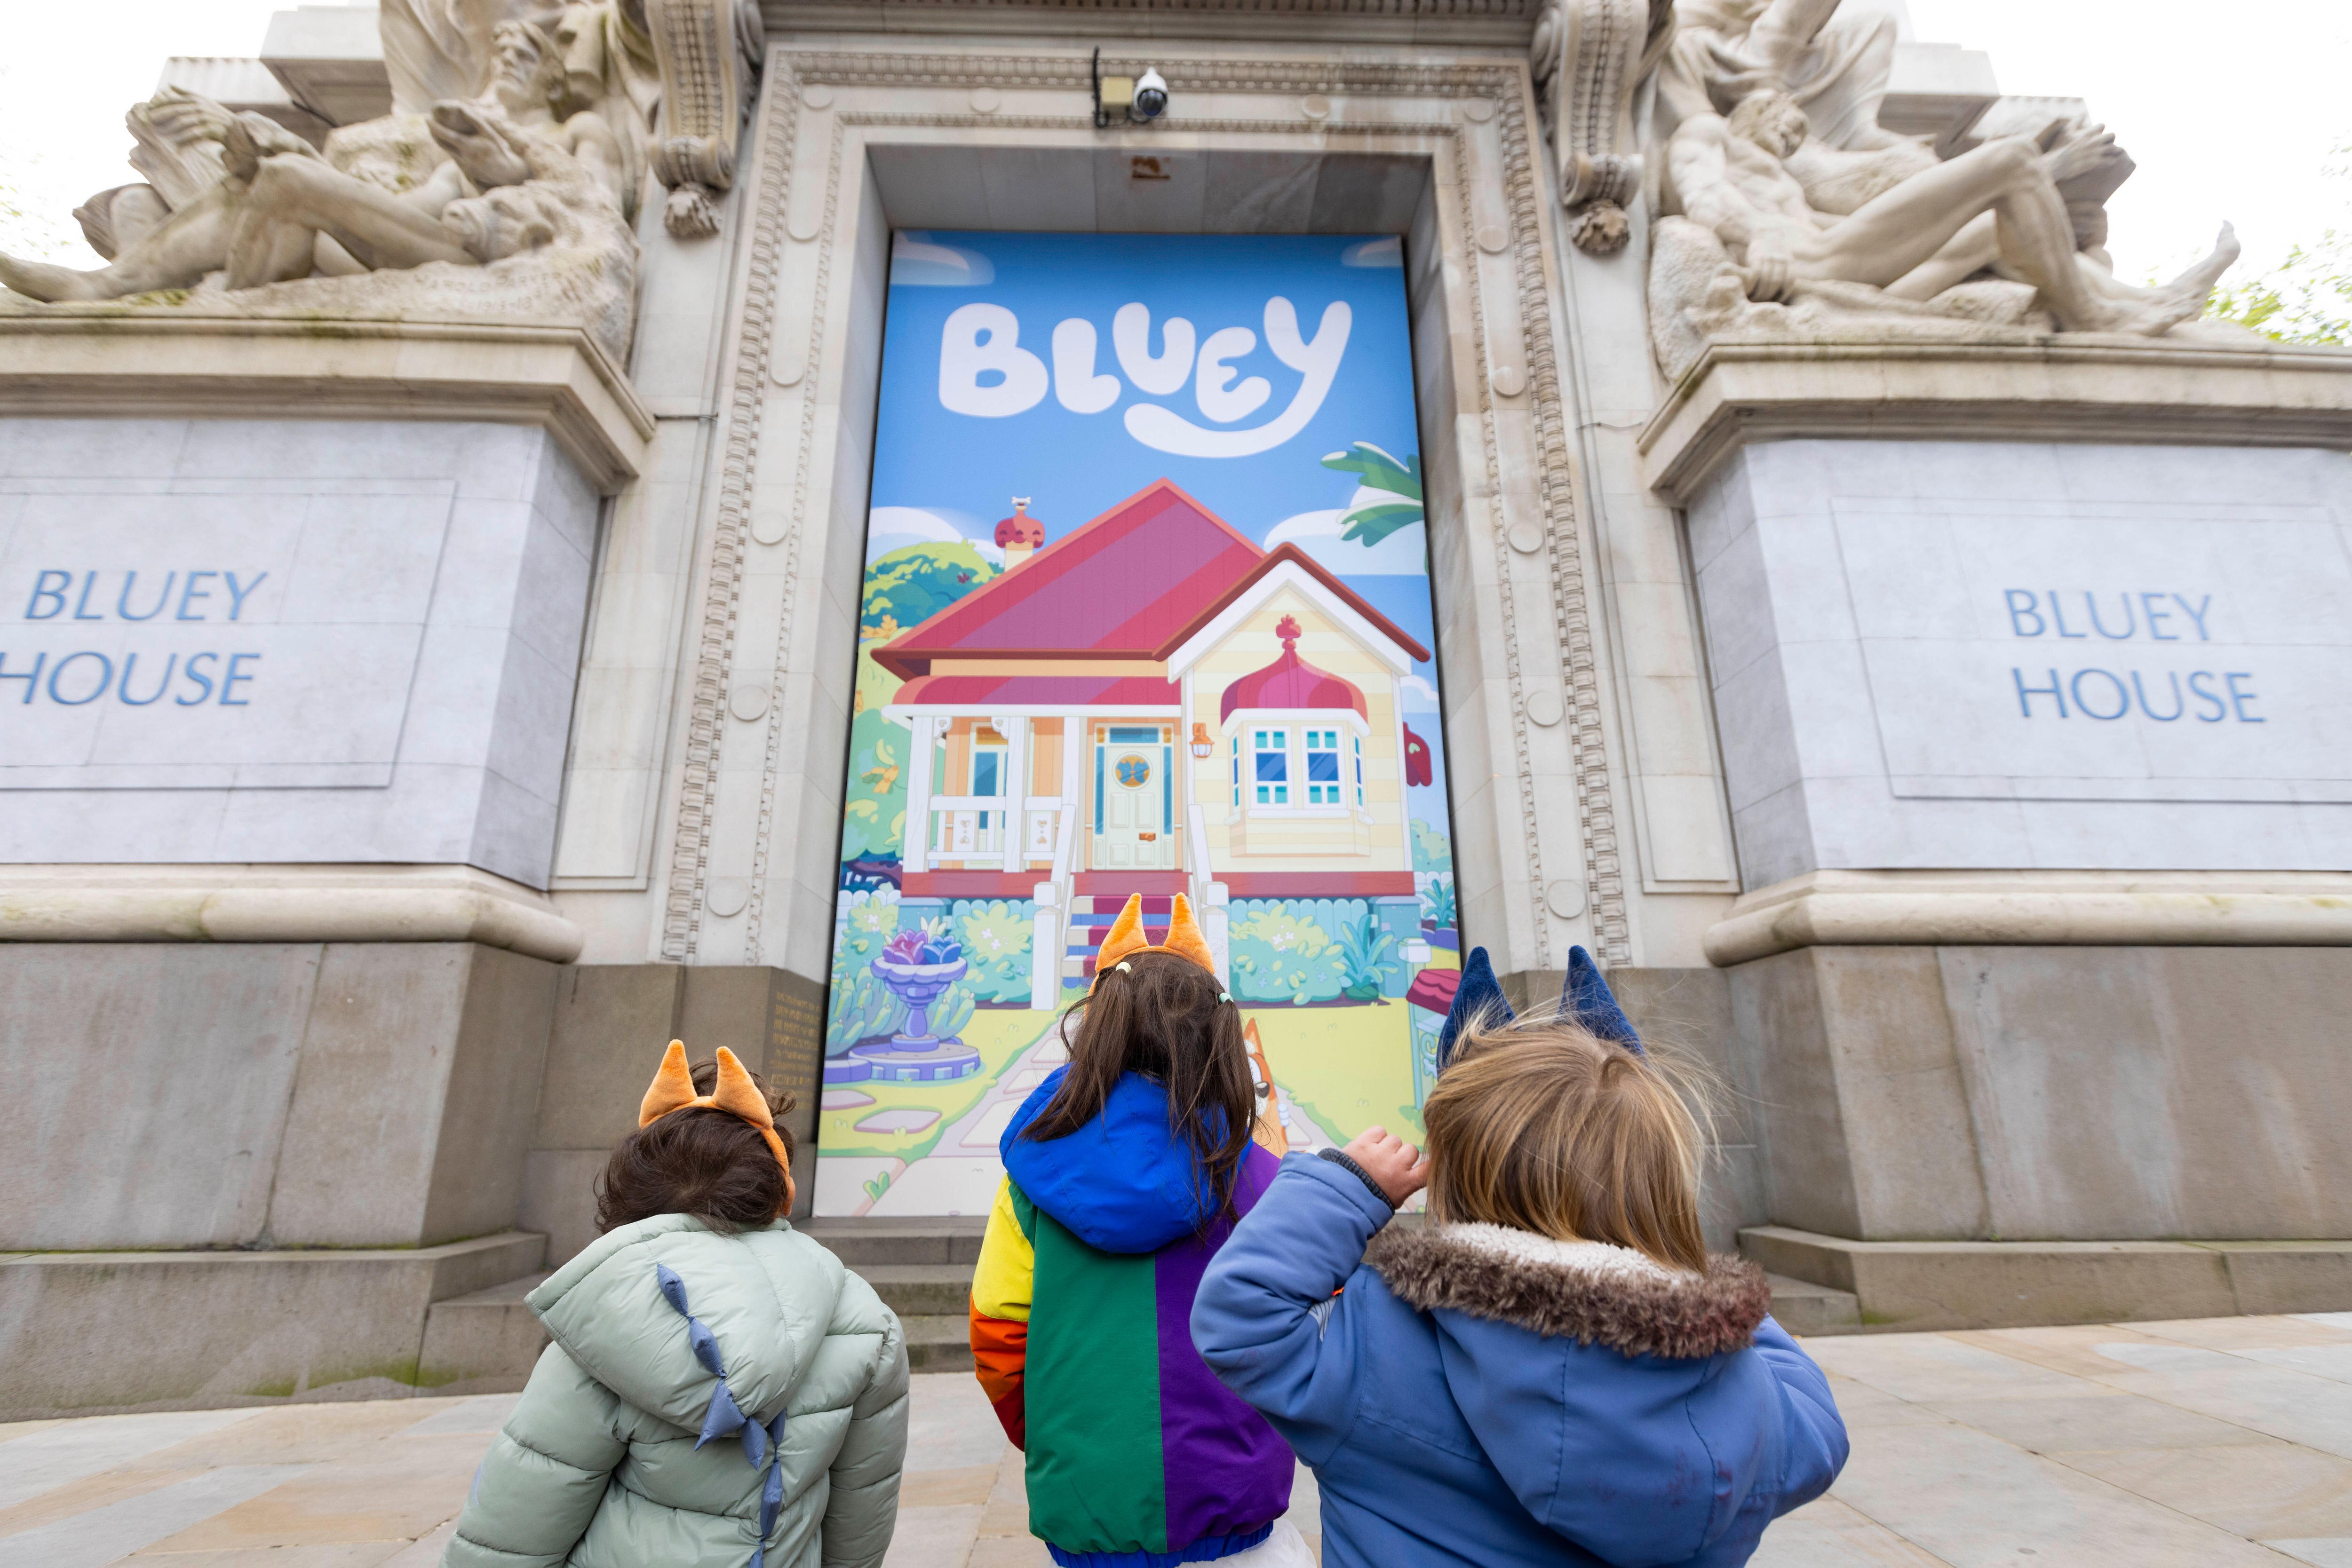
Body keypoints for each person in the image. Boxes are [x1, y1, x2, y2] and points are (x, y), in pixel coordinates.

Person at [1191, 947, 1850, 1568]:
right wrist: (1693, 1288)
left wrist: (1345, 1183)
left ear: (1454, 1173)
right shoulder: (1750, 1396)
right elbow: (1819, 1420)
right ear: (1658, 1187)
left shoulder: (1373, 1348)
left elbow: (1242, 1313)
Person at [442, 1042, 908, 1568]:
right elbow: (862, 1507)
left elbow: (517, 1522)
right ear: (781, 1190)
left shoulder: (609, 1322)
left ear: (628, 1196)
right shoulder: (866, 1323)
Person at [968, 893, 1311, 1568]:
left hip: (1087, 1503)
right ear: (1220, 1035)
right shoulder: (1262, 1176)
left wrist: (1053, 1436)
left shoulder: (1030, 1183)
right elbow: (1304, 1329)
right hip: (1235, 1500)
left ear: (1097, 1029)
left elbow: (998, 1329)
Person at [1664, 88, 2237, 333]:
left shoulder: (1785, 182)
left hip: (1846, 263)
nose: (1792, 136)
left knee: (1993, 228)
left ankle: (2147, 307)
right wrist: (1760, 231)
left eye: (1799, 132)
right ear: (1749, 112)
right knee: (2011, 159)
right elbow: (1702, 196)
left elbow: (1859, 223)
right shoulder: (1708, 132)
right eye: (1785, 121)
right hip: (1812, 261)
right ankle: (2095, 314)